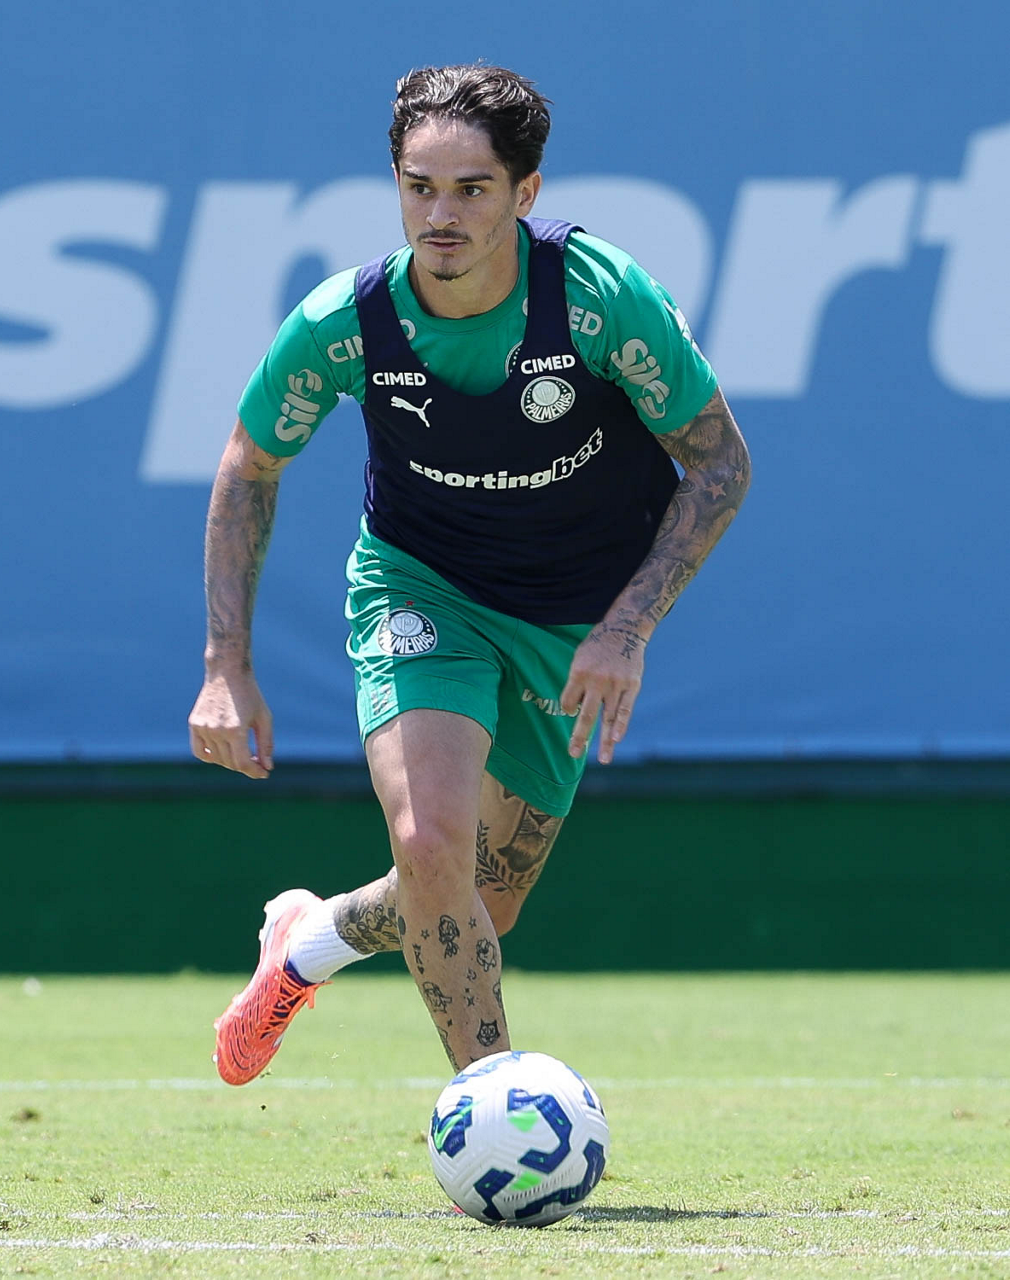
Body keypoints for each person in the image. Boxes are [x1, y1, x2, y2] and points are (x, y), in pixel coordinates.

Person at [189, 64, 751, 1084]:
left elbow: (719, 465)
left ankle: (307, 942)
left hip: (571, 614)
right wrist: (226, 662)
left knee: (477, 906)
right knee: (428, 840)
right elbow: (249, 463)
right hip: (422, 586)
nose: (440, 215)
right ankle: (492, 1107)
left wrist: (626, 628)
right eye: (420, 187)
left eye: (472, 189)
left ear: (524, 193)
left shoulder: (599, 300)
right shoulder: (344, 321)